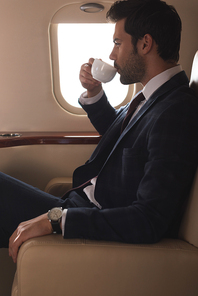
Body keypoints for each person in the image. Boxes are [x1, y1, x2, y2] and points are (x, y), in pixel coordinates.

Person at [1, 0, 198, 264]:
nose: (112, 54)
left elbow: (149, 219)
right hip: (77, 205)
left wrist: (57, 220)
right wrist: (94, 94)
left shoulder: (177, 110)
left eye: (118, 43)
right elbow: (123, 138)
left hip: (89, 216)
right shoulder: (152, 96)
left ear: (145, 43)